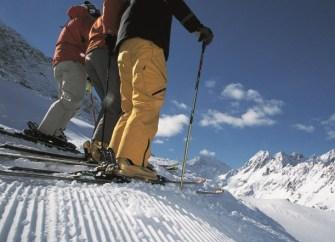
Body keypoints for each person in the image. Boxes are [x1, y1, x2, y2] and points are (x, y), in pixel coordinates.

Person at [106, 0, 213, 180]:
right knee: (147, 104)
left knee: (129, 108)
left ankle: (114, 156)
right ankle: (131, 162)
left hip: (124, 47)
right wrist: (198, 28)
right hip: (148, 44)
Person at [25, 2, 100, 147]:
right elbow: (91, 42)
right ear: (90, 11)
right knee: (70, 99)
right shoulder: (84, 20)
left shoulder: (74, 21)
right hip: (73, 63)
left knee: (72, 101)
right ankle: (46, 130)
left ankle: (56, 131)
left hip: (62, 63)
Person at [83, 0, 127, 162]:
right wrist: (110, 33)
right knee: (115, 102)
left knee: (109, 103)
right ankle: (100, 146)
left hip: (93, 54)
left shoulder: (97, 22)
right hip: (104, 50)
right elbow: (110, 5)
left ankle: (95, 144)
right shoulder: (107, 17)